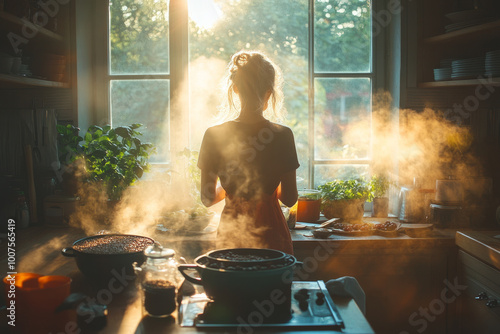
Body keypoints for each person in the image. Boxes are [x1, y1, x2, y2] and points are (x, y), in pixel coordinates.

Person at [197, 50, 299, 254]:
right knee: (271, 284)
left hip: (231, 233)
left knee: (234, 283)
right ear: (269, 93)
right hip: (272, 235)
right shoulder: (282, 135)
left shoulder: (213, 134)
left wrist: (232, 185)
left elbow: (207, 198)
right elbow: (289, 198)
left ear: (235, 89)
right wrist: (267, 186)